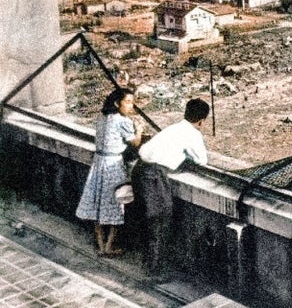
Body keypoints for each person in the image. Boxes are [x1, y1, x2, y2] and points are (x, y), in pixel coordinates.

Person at [133, 98, 210, 273]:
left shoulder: (173, 128)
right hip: (154, 176)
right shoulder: (193, 134)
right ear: (201, 121)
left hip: (139, 169)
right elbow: (202, 160)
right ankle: (155, 269)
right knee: (159, 220)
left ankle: (148, 261)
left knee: (146, 219)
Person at [76, 87, 144, 256]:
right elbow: (135, 143)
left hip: (98, 162)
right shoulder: (122, 121)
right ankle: (109, 246)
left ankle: (100, 244)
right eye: (127, 102)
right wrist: (140, 131)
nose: (131, 106)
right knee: (116, 201)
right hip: (113, 163)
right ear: (117, 103)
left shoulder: (101, 118)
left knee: (98, 202)